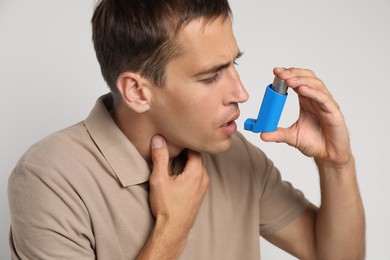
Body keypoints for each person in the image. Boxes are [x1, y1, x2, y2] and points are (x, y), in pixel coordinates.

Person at [8, 0, 365, 259]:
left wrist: (336, 164)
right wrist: (172, 229)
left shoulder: (235, 153)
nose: (241, 93)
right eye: (211, 76)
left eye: (233, 65)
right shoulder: (48, 179)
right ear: (137, 91)